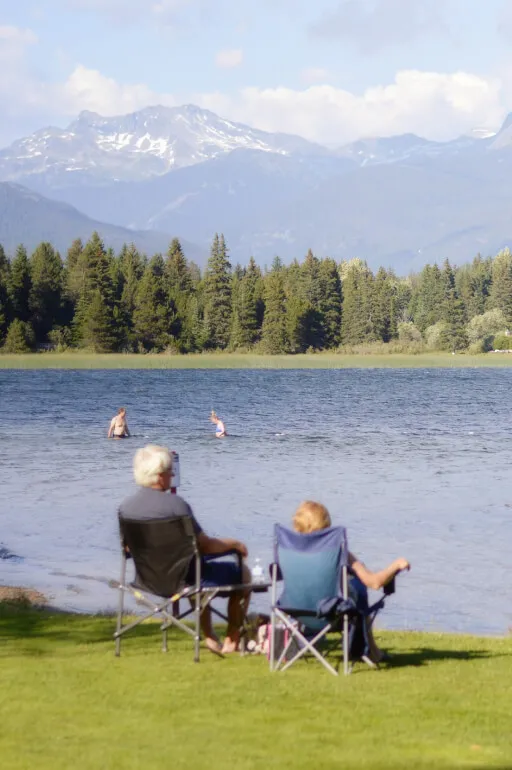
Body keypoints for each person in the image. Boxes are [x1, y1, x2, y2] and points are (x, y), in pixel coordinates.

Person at [118, 444, 249, 655]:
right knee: (243, 573)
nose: (172, 475)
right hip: (185, 580)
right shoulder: (177, 506)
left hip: (147, 580)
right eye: (170, 471)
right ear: (160, 476)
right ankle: (231, 640)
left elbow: (126, 548)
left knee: (193, 569)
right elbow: (205, 546)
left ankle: (209, 635)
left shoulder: (126, 508)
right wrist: (234, 544)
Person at [292, 500, 410, 663]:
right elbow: (374, 582)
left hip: (299, 614)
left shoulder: (291, 553)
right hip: (332, 616)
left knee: (350, 586)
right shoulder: (339, 553)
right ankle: (371, 652)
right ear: (326, 527)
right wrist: (396, 565)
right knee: (357, 586)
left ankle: (371, 651)